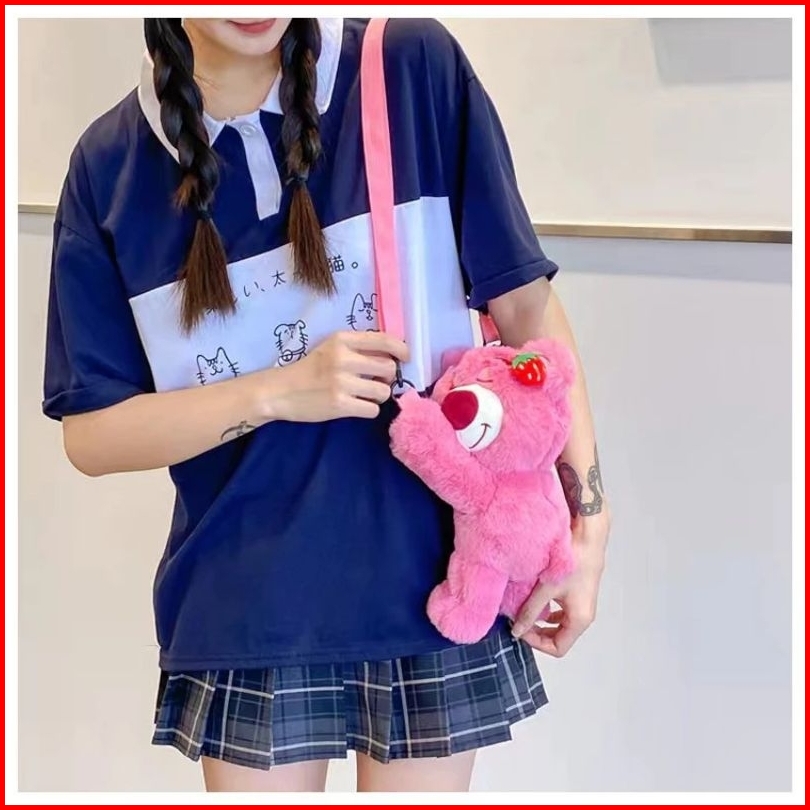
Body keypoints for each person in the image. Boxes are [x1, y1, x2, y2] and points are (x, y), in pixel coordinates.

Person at [42, 17, 611, 793]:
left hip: (437, 585)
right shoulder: (110, 165)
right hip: (249, 603)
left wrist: (589, 524)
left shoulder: (408, 66)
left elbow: (525, 309)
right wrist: (278, 392)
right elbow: (93, 434)